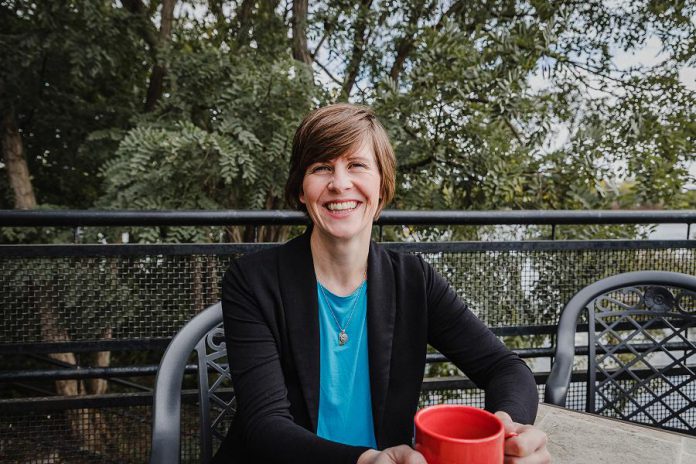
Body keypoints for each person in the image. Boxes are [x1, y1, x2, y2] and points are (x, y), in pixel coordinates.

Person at [213, 103, 550, 464]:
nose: (340, 183)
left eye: (356, 165)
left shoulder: (414, 281)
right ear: (301, 189)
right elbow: (266, 427)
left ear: (382, 183)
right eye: (321, 167)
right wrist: (367, 460)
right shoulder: (252, 281)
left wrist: (508, 427)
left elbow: (506, 368)